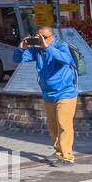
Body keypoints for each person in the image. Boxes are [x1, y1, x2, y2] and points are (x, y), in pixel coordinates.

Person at [20, 26, 79, 165]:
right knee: (53, 126)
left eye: (44, 37)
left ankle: (67, 157)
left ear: (52, 37)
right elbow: (20, 59)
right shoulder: (37, 49)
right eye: (38, 37)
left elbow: (64, 59)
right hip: (48, 92)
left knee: (64, 125)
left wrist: (47, 47)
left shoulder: (62, 46)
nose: (41, 40)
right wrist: (21, 47)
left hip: (66, 92)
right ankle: (58, 152)